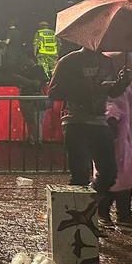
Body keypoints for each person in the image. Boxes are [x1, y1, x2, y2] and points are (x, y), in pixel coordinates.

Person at [48, 46, 132, 193]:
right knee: (80, 173)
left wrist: (122, 82)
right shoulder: (69, 61)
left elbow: (113, 92)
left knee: (110, 173)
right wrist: (81, 87)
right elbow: (53, 93)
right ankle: (79, 209)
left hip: (99, 120)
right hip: (75, 121)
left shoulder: (107, 62)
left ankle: (92, 202)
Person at [97, 62, 132, 229]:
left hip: (123, 141)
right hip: (118, 142)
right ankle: (108, 213)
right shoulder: (116, 91)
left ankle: (120, 214)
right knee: (116, 179)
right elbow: (111, 110)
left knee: (122, 179)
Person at [12, 52, 49, 146]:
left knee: (36, 120)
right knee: (29, 119)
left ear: (30, 58)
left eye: (25, 58)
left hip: (35, 98)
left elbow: (37, 83)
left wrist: (21, 79)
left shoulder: (38, 69)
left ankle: (38, 140)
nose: (23, 60)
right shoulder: (24, 69)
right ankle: (31, 138)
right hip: (25, 97)